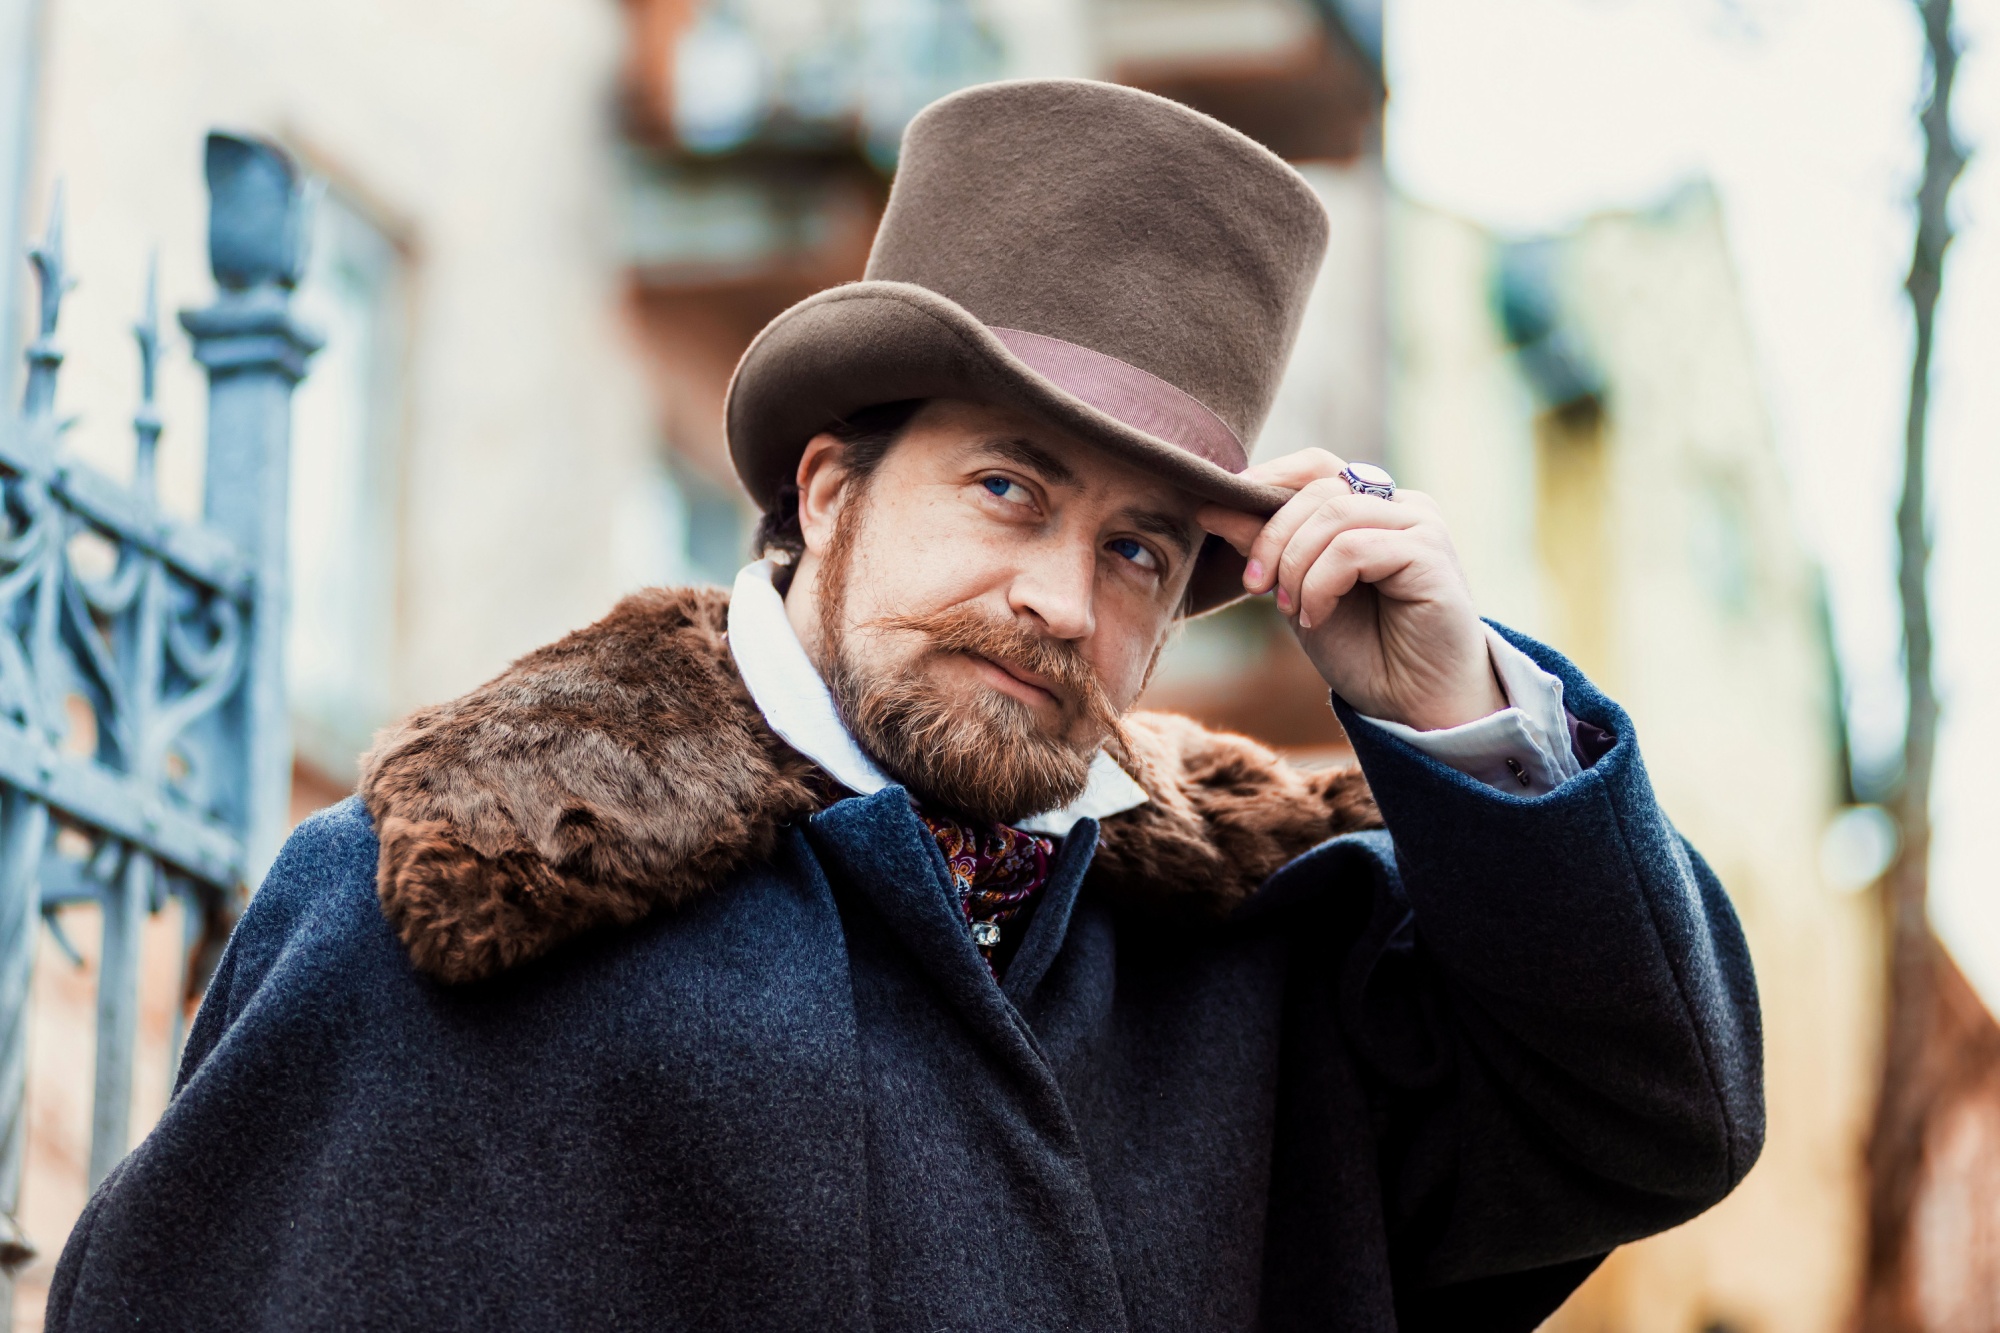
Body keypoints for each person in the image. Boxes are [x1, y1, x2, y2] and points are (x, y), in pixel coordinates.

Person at [48, 80, 1761, 1332]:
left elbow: (1648, 1120)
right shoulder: (446, 902)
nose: (1059, 600)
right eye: (1010, 487)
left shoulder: (1255, 976)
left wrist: (1454, 710)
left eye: (1142, 553)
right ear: (828, 486)